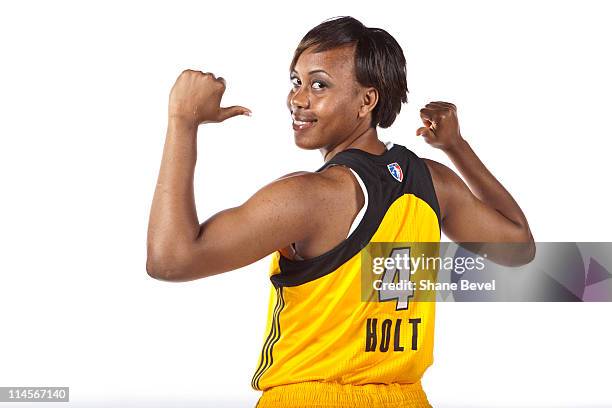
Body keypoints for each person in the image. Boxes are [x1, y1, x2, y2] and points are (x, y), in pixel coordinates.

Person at [146, 16, 535, 408]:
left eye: (319, 85)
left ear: (367, 100)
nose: (298, 99)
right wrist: (456, 146)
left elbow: (170, 260)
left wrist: (183, 120)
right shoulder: (434, 183)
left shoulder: (312, 195)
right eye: (296, 82)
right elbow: (518, 246)